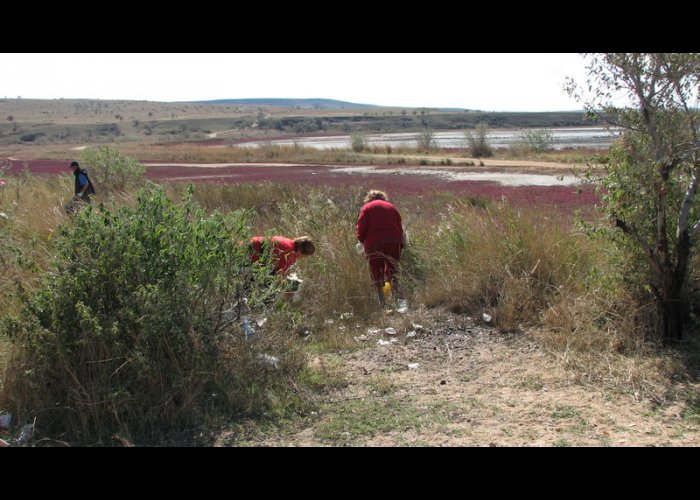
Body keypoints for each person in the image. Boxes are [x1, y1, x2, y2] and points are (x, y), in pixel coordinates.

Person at [356, 190, 405, 308]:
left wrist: (361, 240)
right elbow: (399, 225)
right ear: (383, 197)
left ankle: (382, 303)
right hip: (394, 241)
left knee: (376, 271)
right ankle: (397, 300)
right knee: (393, 270)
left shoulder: (366, 207)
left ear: (369, 198)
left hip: (375, 243)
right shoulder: (391, 207)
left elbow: (361, 228)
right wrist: (401, 242)